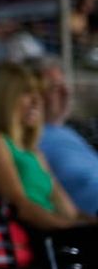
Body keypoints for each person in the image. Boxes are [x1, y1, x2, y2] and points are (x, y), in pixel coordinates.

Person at [0, 62, 97, 230]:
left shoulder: (34, 152)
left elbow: (71, 212)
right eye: (26, 93)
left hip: (60, 233)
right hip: (40, 238)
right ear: (4, 97)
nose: (36, 102)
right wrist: (70, 228)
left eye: (38, 94)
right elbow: (20, 205)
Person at [37, 58, 98, 215]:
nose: (66, 92)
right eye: (55, 87)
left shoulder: (71, 132)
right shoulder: (31, 138)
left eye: (65, 85)